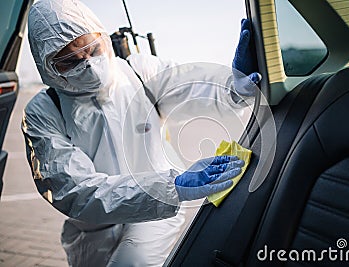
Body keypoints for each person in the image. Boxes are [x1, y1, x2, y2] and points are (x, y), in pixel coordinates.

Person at [22, 0, 260, 266]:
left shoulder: (139, 71)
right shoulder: (43, 110)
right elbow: (74, 189)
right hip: (92, 229)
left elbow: (192, 87)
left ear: (103, 36)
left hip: (157, 210)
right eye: (70, 61)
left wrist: (234, 88)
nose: (88, 64)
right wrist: (174, 186)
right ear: (48, 67)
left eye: (92, 49)